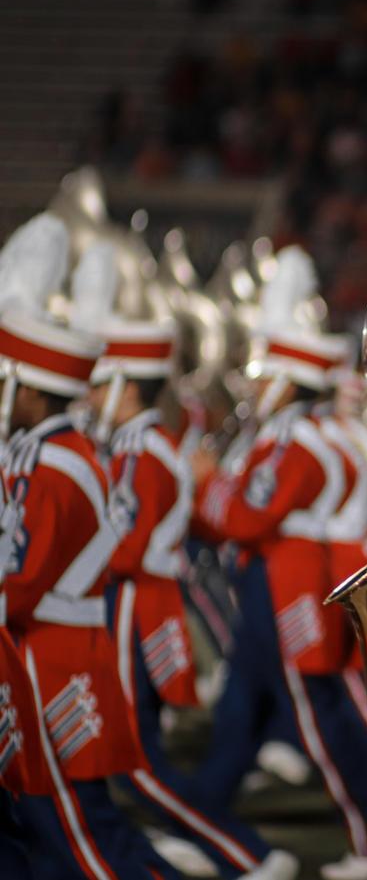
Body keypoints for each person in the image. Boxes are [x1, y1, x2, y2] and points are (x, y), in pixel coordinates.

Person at [73, 241, 298, 880]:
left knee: (138, 765)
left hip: (131, 607)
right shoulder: (147, 447)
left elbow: (124, 546)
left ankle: (243, 854)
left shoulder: (142, 453)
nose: (87, 397)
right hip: (137, 603)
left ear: (121, 385)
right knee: (120, 763)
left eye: (97, 386)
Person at [188, 246, 367, 880]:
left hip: (294, 581)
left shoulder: (300, 442)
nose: (255, 382)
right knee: (243, 711)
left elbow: (246, 518)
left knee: (320, 719)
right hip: (280, 577)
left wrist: (206, 486)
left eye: (265, 369)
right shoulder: (294, 434)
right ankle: (205, 822)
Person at [0, 213, 173, 879]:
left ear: (28, 388)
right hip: (48, 648)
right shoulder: (50, 453)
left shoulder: (57, 466)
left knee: (70, 829)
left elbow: (24, 578)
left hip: (54, 657)